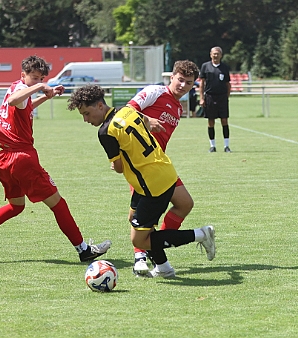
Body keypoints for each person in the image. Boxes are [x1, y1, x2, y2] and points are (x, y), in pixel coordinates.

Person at [0, 55, 111, 262]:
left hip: (5, 158)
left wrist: (46, 95)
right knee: (58, 204)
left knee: (16, 206)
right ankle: (83, 250)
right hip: (22, 158)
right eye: (34, 77)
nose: (38, 81)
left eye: (41, 77)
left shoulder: (17, 88)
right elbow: (16, 100)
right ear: (23, 75)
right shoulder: (19, 91)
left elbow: (24, 105)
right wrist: (41, 87)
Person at [68, 85, 215, 278]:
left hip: (151, 185)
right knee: (134, 219)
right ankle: (163, 267)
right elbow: (146, 120)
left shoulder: (105, 132)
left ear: (100, 106)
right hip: (163, 170)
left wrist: (116, 164)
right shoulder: (127, 110)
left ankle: (201, 234)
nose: (86, 119)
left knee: (140, 240)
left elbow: (119, 168)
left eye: (87, 113)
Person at [126, 60, 200, 276]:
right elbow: (126, 112)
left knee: (184, 203)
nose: (183, 86)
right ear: (172, 77)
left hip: (160, 164)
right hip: (141, 163)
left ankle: (154, 245)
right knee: (139, 214)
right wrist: (148, 120)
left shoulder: (178, 107)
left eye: (188, 83)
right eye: (180, 80)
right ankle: (141, 254)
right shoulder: (155, 92)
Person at [199, 46, 232, 153]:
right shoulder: (205, 66)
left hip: (222, 97)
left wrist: (226, 96)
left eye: (218, 53)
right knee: (211, 121)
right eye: (214, 53)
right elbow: (202, 83)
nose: (216, 55)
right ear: (210, 54)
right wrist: (202, 98)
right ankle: (212, 146)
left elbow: (228, 84)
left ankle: (226, 146)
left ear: (221, 55)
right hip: (210, 96)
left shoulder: (225, 67)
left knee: (224, 120)